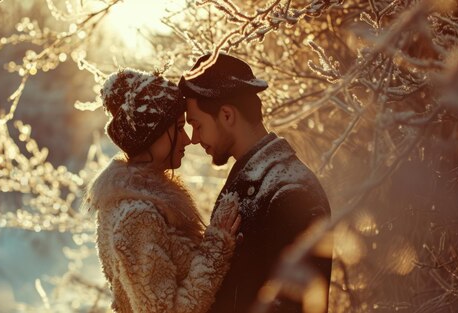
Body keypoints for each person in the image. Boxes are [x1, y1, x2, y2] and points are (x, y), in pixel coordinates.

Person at [178, 53, 333, 313]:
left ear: (227, 115)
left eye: (197, 124)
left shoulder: (290, 192)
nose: (194, 138)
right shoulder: (256, 180)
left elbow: (295, 305)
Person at [83, 68, 241, 313]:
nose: (187, 139)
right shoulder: (137, 218)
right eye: (178, 128)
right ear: (151, 135)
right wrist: (216, 248)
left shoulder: (138, 203)